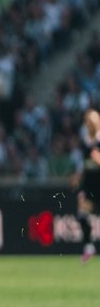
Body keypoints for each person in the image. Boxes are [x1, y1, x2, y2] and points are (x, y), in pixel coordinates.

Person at [70, 109, 100, 263]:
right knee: (82, 214)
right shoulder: (86, 141)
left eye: (93, 120)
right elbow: (85, 164)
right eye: (88, 121)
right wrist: (78, 176)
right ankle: (89, 246)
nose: (90, 124)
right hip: (89, 184)